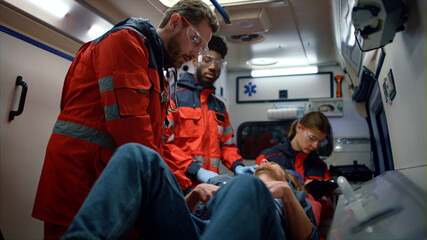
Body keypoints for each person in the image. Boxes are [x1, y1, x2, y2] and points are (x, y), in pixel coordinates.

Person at [32, 1, 218, 238]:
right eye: (195, 42)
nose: (195, 55)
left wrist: (189, 184)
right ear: (175, 22)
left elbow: (156, 146)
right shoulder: (126, 43)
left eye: (201, 48)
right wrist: (179, 195)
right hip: (80, 182)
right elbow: (135, 137)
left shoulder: (155, 66)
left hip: (110, 183)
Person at [61, 143, 320, 240]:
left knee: (246, 185)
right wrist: (194, 196)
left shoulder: (291, 195)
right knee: (136, 154)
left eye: (271, 163)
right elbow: (185, 219)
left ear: (285, 176)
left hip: (257, 232)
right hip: (199, 229)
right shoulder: (223, 181)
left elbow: (307, 239)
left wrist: (285, 193)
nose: (262, 162)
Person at [162, 35, 257, 193]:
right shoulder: (174, 97)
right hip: (179, 187)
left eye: (219, 63)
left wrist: (238, 166)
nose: (213, 67)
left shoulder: (219, 106)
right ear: (194, 61)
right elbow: (165, 144)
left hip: (212, 188)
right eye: (207, 60)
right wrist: (196, 170)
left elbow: (227, 146)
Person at [255, 111, 333, 233]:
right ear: (299, 128)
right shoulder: (269, 158)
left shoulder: (320, 166)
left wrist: (311, 195)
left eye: (320, 141)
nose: (315, 145)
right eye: (312, 138)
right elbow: (258, 194)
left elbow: (328, 210)